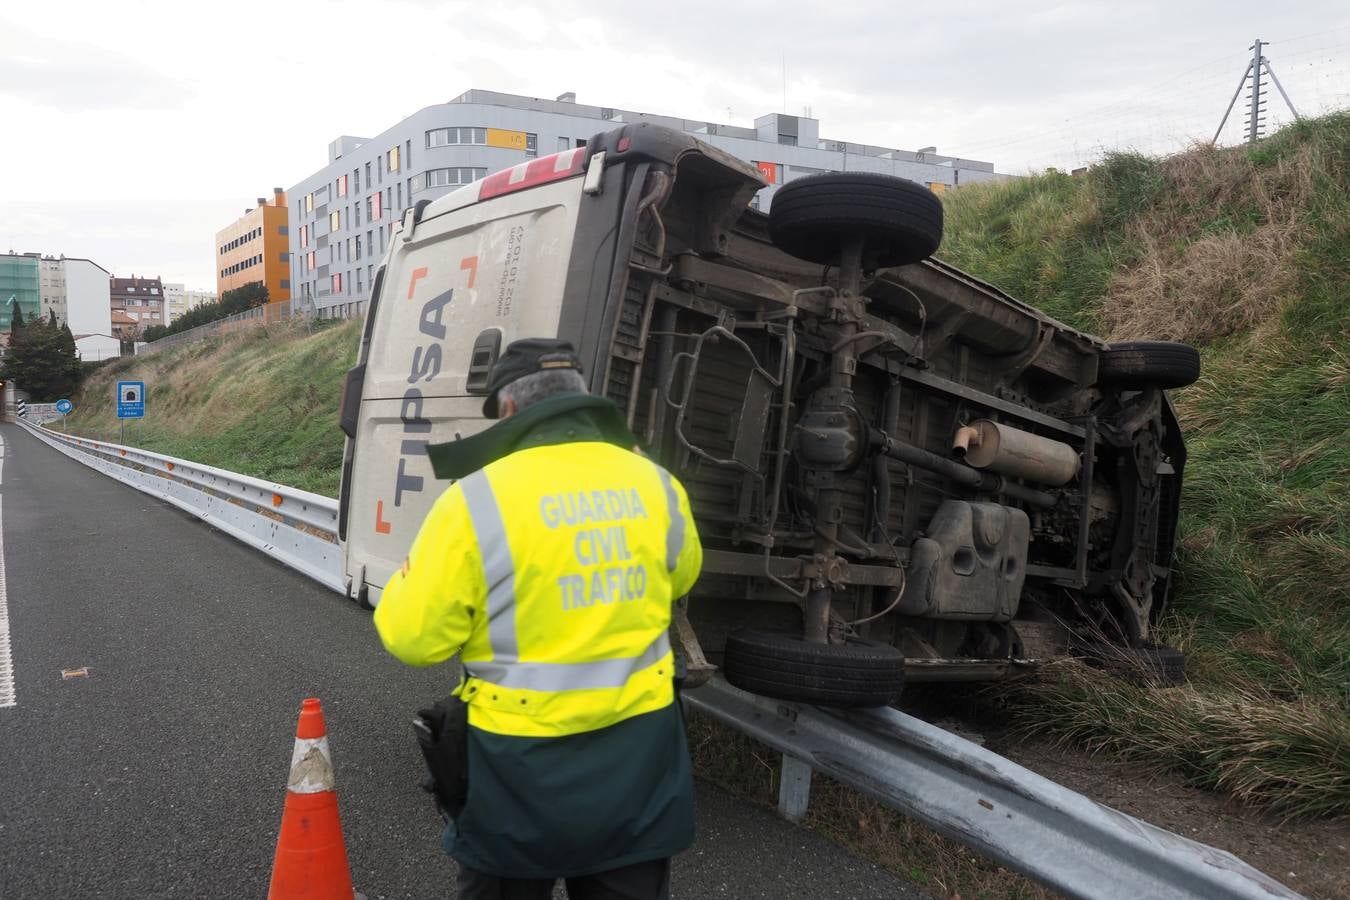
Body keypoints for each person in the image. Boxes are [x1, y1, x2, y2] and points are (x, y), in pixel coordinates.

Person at [373, 337, 703, 900]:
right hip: (638, 763)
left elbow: (413, 639)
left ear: (507, 410)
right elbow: (682, 576)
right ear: (582, 399)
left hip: (517, 772)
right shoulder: (657, 484)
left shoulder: (475, 501)